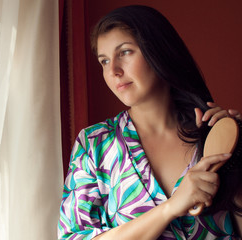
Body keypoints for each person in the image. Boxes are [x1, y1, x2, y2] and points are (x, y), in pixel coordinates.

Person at [58, 5, 242, 239]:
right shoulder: (95, 144)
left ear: (159, 51)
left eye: (124, 52)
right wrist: (170, 207)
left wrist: (237, 150)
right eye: (104, 61)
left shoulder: (211, 133)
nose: (113, 70)